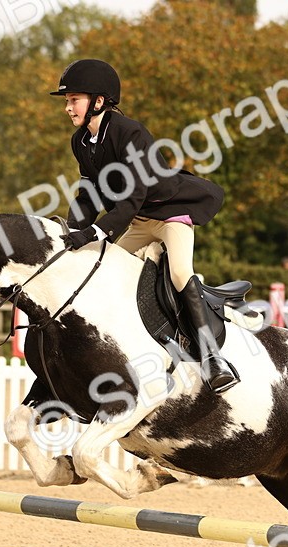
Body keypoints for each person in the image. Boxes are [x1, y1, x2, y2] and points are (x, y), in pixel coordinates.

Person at [50, 59, 238, 393]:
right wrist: (71, 231)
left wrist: (95, 233)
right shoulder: (80, 142)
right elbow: (88, 194)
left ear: (98, 101)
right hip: (136, 221)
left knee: (180, 273)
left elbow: (134, 195)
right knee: (107, 272)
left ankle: (212, 358)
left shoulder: (129, 133)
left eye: (73, 100)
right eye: (67, 101)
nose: (67, 108)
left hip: (169, 216)